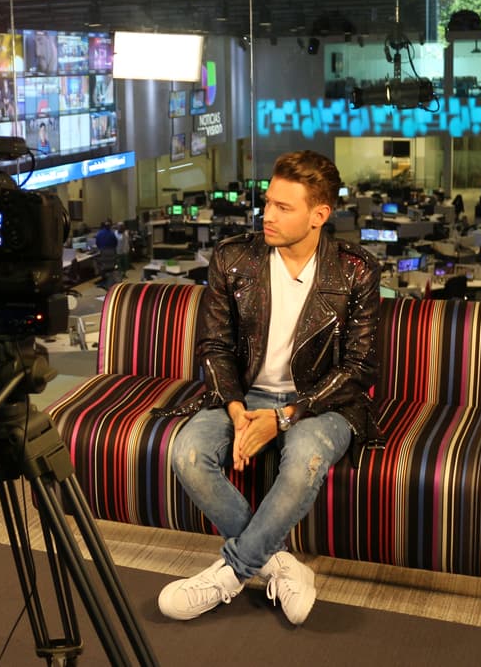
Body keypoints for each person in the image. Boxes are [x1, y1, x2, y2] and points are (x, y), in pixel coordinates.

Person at [156, 150, 383, 626]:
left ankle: (230, 574)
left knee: (303, 463)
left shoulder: (357, 270)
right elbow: (214, 346)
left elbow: (359, 368)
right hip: (241, 395)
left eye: (284, 207)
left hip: (322, 403)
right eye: (268, 202)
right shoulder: (234, 258)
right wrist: (239, 412)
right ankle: (278, 562)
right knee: (187, 455)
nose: (268, 215)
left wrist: (284, 417)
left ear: (319, 215)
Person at [95, 219, 119, 288]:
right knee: (110, 266)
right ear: (110, 226)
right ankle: (110, 279)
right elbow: (115, 243)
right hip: (111, 254)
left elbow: (97, 244)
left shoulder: (99, 233)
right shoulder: (112, 233)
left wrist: (102, 249)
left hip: (103, 254)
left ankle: (103, 279)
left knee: (96, 261)